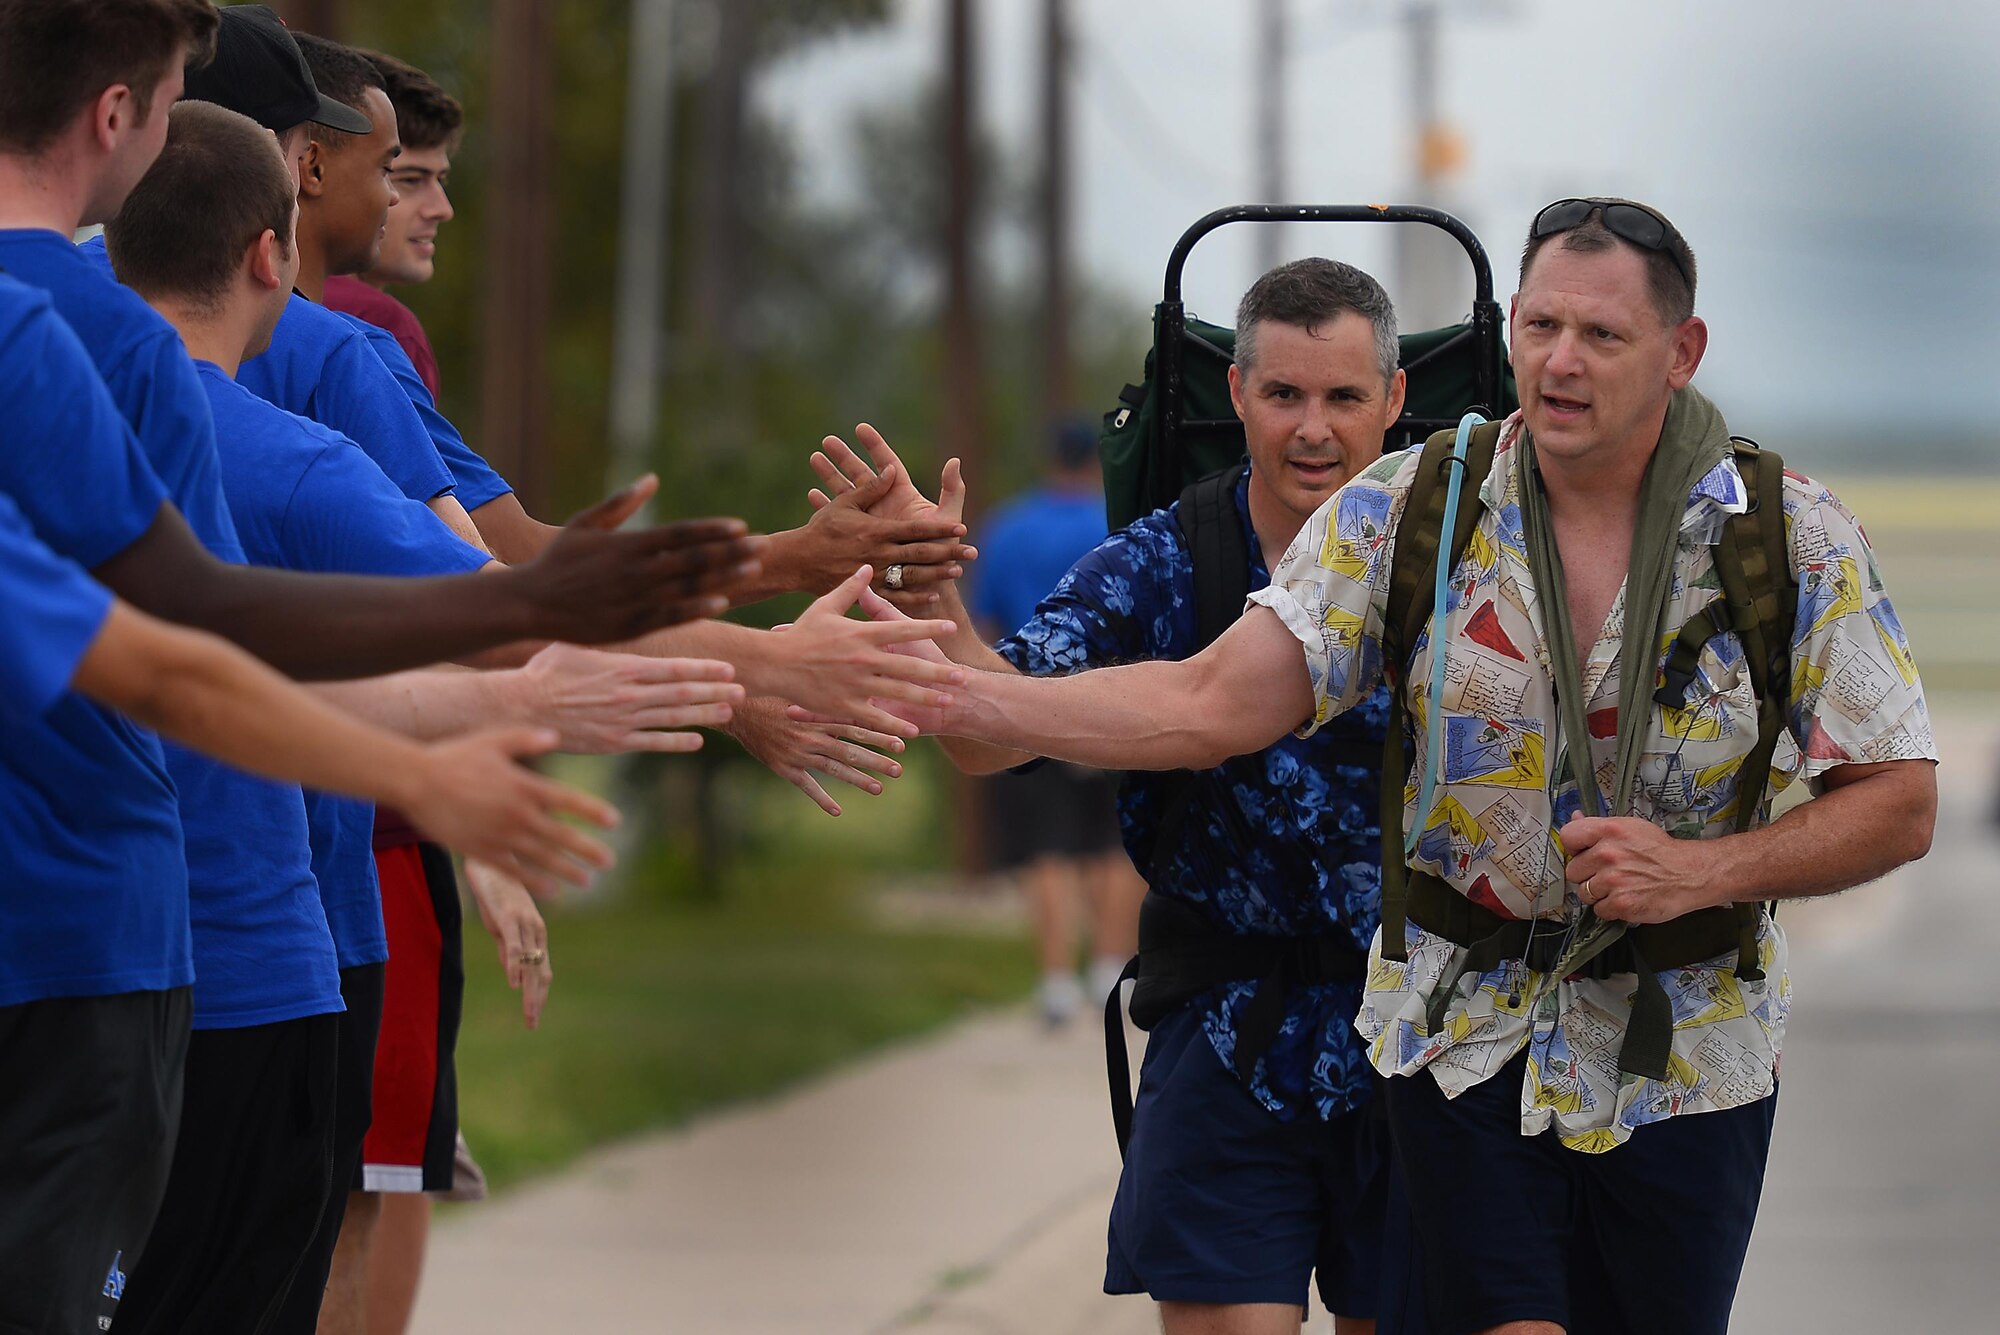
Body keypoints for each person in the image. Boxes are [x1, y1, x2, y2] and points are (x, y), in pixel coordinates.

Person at [861, 198, 1939, 1335]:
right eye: (1540, 328)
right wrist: (956, 689)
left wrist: (1702, 874)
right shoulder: (1410, 511)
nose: (1560, 363)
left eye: (1602, 337)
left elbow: (1899, 801)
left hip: (1684, 1051)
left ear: (1680, 352)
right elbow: (1210, 700)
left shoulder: (1787, 537)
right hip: (1455, 1042)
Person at [813, 257, 1407, 1334]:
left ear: (1393, 401)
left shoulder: (1459, 561)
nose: (1311, 428)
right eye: (1282, 394)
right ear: (1235, 394)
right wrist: (938, 618)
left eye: (1341, 397)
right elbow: (997, 731)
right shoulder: (1166, 559)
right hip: (1226, 1031)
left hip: (1417, 1042)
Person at [959, 419, 1145, 1025]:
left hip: (1030, 704)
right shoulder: (1118, 524)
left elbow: (982, 628)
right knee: (1114, 843)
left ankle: (1056, 979)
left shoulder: (1008, 527)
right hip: (1111, 702)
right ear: (1095, 460)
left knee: (1048, 845)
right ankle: (1109, 967)